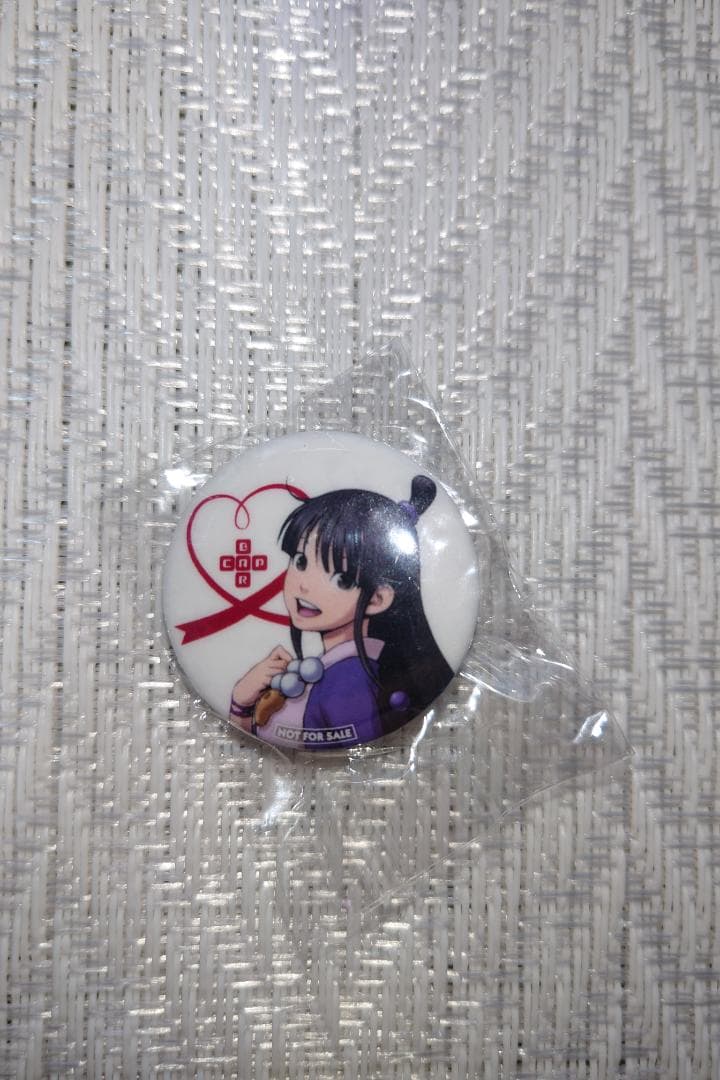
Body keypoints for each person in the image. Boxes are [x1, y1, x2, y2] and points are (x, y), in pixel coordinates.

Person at [229, 475, 452, 747]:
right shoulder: (333, 668)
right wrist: (242, 702)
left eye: (341, 579)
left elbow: (313, 757)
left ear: (378, 599)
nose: (304, 585)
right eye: (300, 561)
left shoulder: (347, 680)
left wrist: (241, 706)